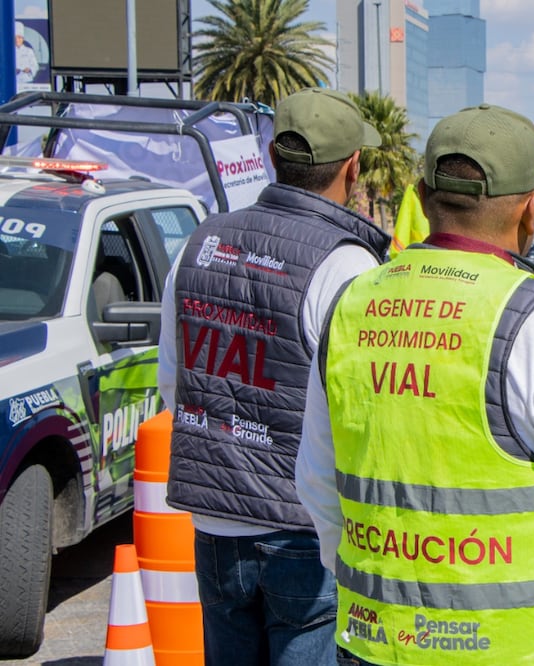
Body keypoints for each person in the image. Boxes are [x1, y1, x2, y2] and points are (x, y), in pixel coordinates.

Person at [296, 103, 534, 666]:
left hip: (377, 646)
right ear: (530, 211)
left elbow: (318, 484)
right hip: (519, 652)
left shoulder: (350, 306)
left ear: (421, 198)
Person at [157, 87, 391, 666]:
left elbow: (173, 382)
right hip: (303, 533)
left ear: (272, 155)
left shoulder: (201, 240)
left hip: (213, 527)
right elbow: (362, 415)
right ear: (354, 164)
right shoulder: (348, 262)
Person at [14, 22, 38, 86]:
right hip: (14, 81)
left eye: (19, 38)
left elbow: (35, 66)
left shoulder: (29, 51)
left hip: (27, 81)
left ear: (23, 39)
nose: (17, 40)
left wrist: (29, 69)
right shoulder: (9, 52)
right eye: (15, 38)